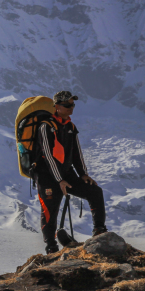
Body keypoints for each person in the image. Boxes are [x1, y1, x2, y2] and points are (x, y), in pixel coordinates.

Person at [36, 90, 107, 253]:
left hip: (66, 175)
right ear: (57, 107)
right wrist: (59, 179)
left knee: (94, 191)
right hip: (47, 176)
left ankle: (99, 230)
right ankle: (51, 247)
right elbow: (47, 156)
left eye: (72, 104)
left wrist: (83, 174)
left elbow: (77, 153)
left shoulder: (70, 126)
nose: (71, 107)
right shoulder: (45, 127)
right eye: (67, 105)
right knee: (49, 210)